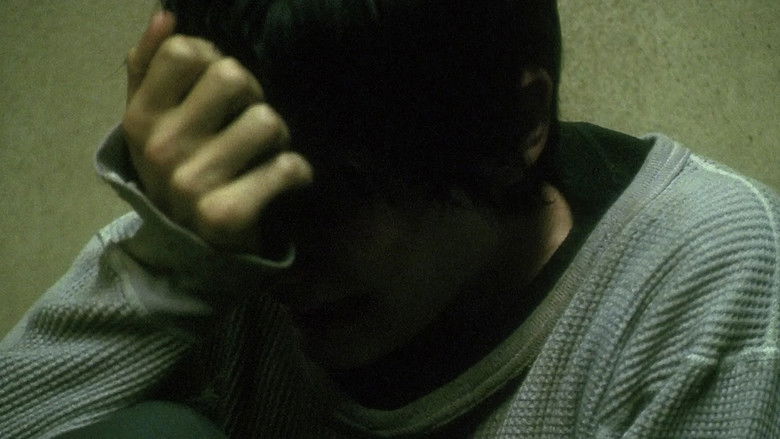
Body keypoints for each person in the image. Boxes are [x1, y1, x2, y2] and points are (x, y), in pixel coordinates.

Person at [1, 0, 778, 437]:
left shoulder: (702, 269)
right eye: (253, 179)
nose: (283, 254)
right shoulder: (228, 238)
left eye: (340, 191)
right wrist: (172, 264)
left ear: (518, 124)